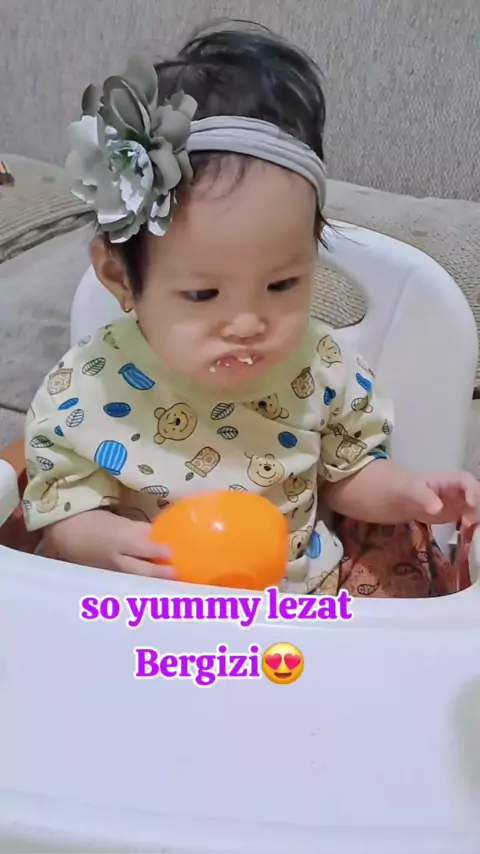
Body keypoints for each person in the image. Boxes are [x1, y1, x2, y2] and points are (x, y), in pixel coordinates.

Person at [22, 21, 479, 595]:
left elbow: (349, 475)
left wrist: (409, 493)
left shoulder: (321, 369)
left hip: (301, 603)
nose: (247, 325)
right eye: (203, 295)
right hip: (148, 603)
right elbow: (61, 502)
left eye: (282, 284)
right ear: (120, 278)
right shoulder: (88, 385)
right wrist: (93, 537)